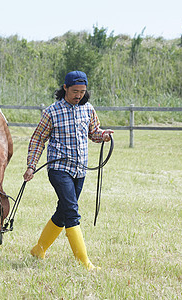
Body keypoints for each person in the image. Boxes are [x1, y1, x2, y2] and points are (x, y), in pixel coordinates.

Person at [23, 71, 114, 271]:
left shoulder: (88, 109)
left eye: (82, 91)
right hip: (59, 169)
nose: (79, 95)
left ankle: (38, 250)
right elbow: (38, 139)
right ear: (65, 88)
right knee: (72, 212)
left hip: (80, 169)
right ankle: (84, 262)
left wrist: (104, 136)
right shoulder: (51, 112)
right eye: (75, 91)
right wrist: (31, 165)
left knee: (63, 212)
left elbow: (94, 133)